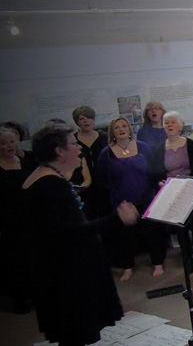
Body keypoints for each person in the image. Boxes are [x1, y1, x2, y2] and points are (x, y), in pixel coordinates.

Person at [23, 123, 139, 346]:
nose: (79, 148)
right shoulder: (49, 185)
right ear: (59, 151)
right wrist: (117, 219)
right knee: (74, 330)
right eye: (74, 143)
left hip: (58, 267)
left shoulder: (47, 177)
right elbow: (70, 232)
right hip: (63, 274)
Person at [97, 117, 164, 281]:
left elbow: (154, 171)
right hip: (122, 202)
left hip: (146, 197)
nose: (121, 129)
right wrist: (119, 201)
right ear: (112, 132)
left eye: (124, 126)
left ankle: (158, 263)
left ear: (129, 128)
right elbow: (102, 179)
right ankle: (127, 267)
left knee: (152, 233)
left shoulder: (143, 146)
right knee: (124, 237)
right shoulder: (106, 153)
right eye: (117, 127)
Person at [148, 111, 193, 270]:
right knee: (180, 228)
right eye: (166, 122)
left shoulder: (191, 145)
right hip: (172, 192)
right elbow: (154, 172)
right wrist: (159, 182)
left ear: (180, 125)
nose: (169, 125)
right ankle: (187, 257)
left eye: (173, 122)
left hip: (191, 190)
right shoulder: (159, 149)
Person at [0, 127, 35, 314]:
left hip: (29, 218)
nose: (8, 146)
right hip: (8, 221)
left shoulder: (25, 161)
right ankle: (20, 299)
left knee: (33, 258)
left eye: (11, 141)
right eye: (3, 143)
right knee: (15, 260)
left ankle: (35, 295)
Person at [71, 106, 110, 219]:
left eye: (89, 117)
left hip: (104, 183)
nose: (86, 121)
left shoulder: (105, 137)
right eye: (82, 119)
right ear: (77, 122)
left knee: (106, 213)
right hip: (84, 185)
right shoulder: (73, 140)